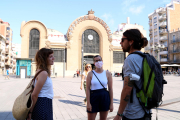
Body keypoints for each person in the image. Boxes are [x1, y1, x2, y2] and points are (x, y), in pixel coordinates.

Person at [113, 29, 149, 120]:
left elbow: (127, 88)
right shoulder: (145, 57)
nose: (120, 43)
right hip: (146, 110)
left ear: (131, 41)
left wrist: (119, 114)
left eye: (122, 40)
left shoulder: (131, 59)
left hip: (133, 113)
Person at [27, 48, 54, 120]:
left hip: (45, 103)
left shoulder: (42, 71)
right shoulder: (43, 73)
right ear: (44, 59)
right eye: (51, 56)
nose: (53, 58)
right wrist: (30, 112)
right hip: (42, 104)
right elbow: (34, 94)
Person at [86, 55, 113, 120]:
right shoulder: (90, 74)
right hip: (94, 98)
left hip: (104, 98)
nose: (98, 62)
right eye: (96, 61)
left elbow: (110, 89)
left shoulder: (108, 73)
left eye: (99, 60)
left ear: (102, 61)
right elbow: (87, 88)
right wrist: (88, 103)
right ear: (94, 63)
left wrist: (111, 103)